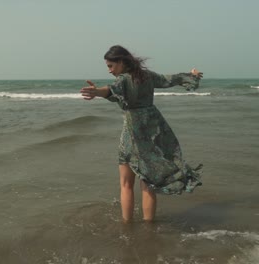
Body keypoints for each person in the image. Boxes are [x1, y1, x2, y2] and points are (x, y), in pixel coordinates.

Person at [80, 45, 203, 223]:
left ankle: (127, 225)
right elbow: (169, 79)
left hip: (133, 133)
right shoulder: (147, 75)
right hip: (154, 129)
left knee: (126, 184)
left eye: (110, 66)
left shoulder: (123, 79)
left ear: (121, 62)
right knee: (148, 184)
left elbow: (111, 89)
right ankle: (148, 227)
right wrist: (192, 75)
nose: (109, 70)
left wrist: (97, 92)